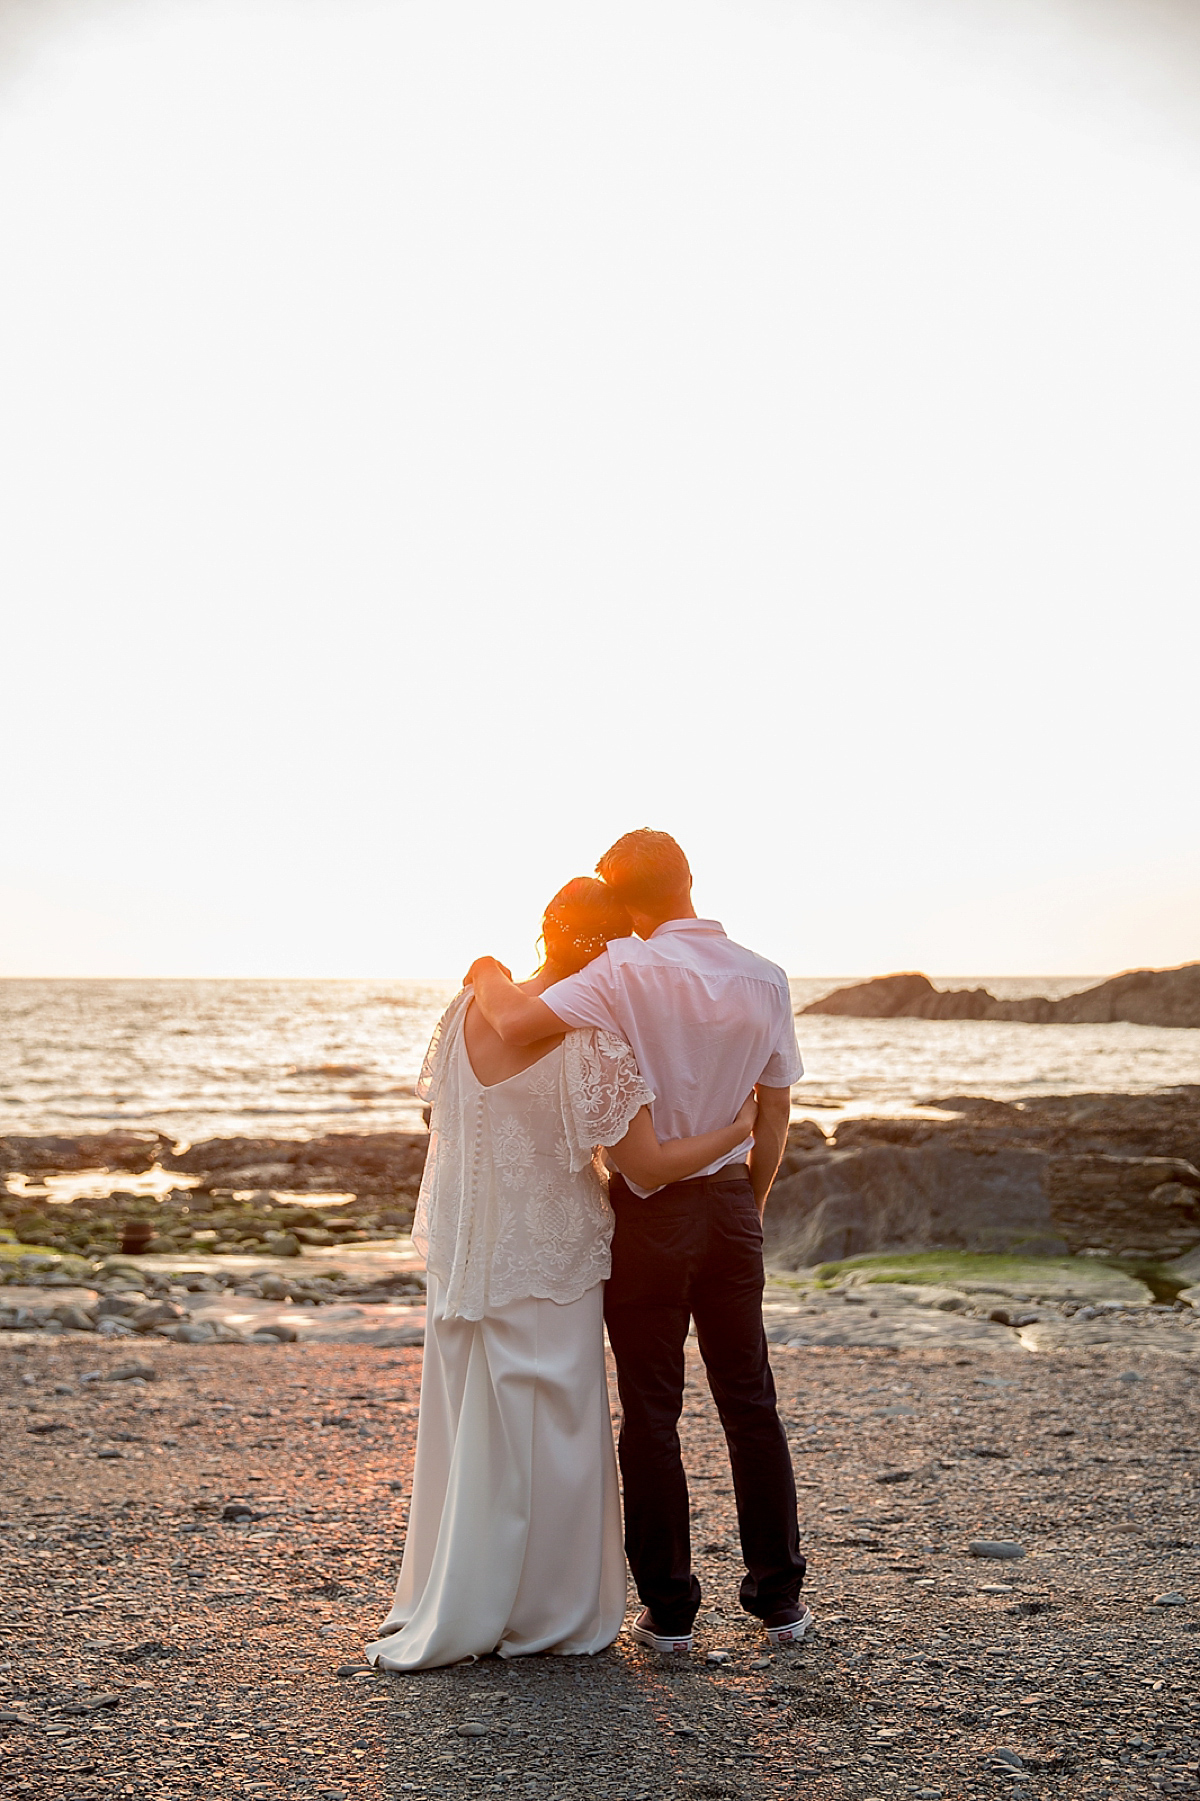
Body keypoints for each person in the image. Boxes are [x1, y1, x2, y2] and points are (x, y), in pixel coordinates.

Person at [366, 876, 759, 1672]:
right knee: (557, 1433)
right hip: (552, 1257)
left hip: (464, 1257)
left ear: (546, 929)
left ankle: (451, 1595)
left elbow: (440, 1122)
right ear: (616, 948)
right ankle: (547, 1611)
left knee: (465, 1431)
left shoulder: (467, 1009)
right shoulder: (593, 1037)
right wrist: (738, 1126)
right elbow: (644, 1165)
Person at [467, 829, 809, 1655]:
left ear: (622, 900)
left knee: (651, 1411)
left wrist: (484, 969)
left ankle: (672, 1613)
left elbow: (513, 1021)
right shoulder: (766, 976)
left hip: (650, 1215)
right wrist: (746, 1204)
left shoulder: (617, 971)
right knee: (751, 1404)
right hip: (730, 1206)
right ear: (689, 879)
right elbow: (775, 1112)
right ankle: (781, 1602)